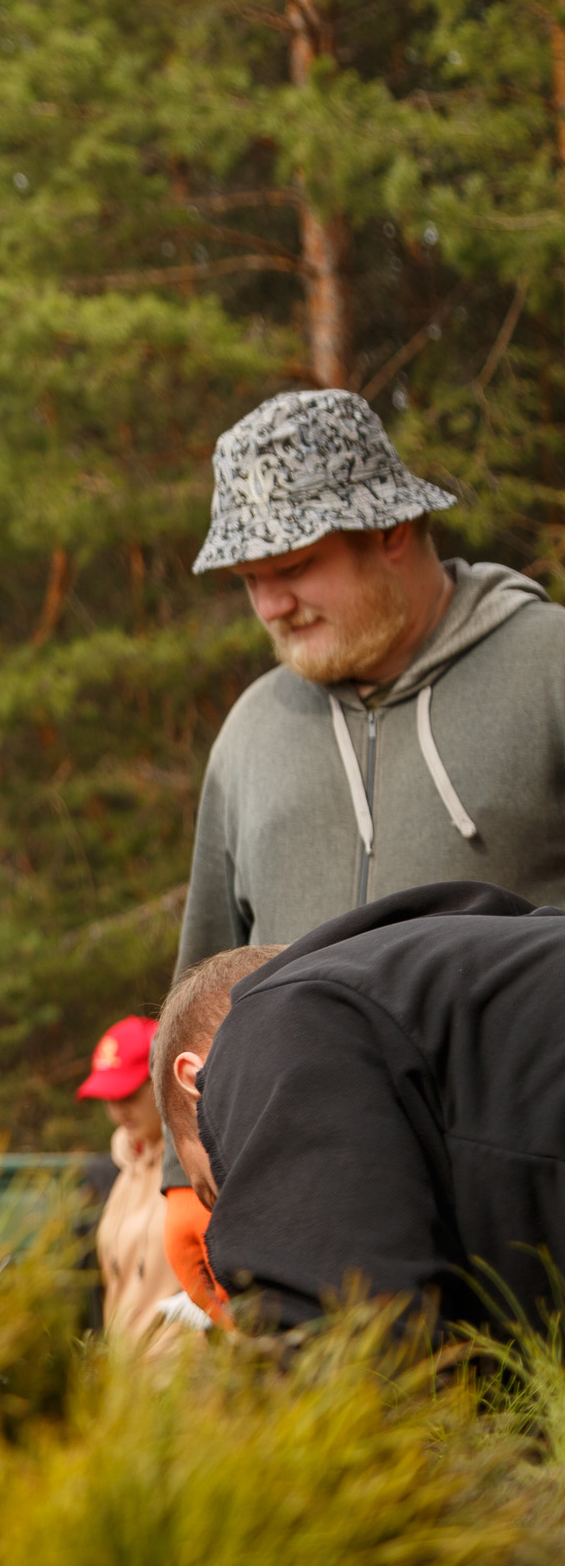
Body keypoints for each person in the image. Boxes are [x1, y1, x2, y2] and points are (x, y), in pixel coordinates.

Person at [166, 388, 565, 1280]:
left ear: (391, 529)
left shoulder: (551, 668)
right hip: (311, 1218)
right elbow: (203, 970)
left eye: (293, 565)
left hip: (530, 1214)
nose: (272, 603)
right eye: (249, 579)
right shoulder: (250, 732)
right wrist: (177, 1173)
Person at [158, 884, 565, 1335]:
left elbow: (354, 1334)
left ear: (195, 1077)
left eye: (213, 1190)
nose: (238, 1202)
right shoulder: (466, 965)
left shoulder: (280, 1025)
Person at [76, 1015, 195, 1341]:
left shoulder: (199, 1166)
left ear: (164, 1081)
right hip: (124, 1370)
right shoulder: (109, 1173)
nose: (118, 1111)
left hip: (187, 1368)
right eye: (108, 1097)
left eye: (127, 1094)